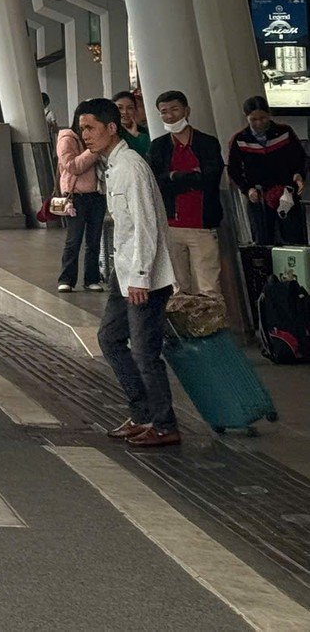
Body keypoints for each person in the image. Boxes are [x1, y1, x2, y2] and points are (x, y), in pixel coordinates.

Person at [77, 96, 180, 448]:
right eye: (81, 130)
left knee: (144, 352)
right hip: (124, 274)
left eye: (90, 128)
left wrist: (139, 277)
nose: (85, 135)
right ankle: (143, 414)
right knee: (109, 338)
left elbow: (146, 225)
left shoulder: (131, 167)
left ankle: (164, 424)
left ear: (111, 128)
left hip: (143, 276)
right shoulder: (112, 166)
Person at [147, 90, 225, 301]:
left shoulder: (207, 143)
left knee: (209, 286)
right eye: (164, 112)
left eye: (174, 109)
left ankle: (213, 330)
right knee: (177, 288)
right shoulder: (159, 146)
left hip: (202, 225)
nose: (169, 116)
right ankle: (183, 331)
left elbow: (210, 177)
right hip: (171, 225)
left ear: (186, 110)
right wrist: (189, 176)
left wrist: (173, 177)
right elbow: (156, 181)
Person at [227, 96, 307, 247]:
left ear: (269, 114)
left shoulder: (285, 132)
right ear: (247, 118)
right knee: (263, 240)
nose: (259, 123)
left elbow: (300, 158)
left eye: (263, 118)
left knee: (293, 238)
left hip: (286, 193)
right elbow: (234, 169)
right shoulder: (240, 139)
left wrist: (298, 175)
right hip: (258, 196)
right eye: (254, 119)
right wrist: (247, 189)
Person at [55, 122, 105, 293]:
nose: (88, 130)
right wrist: (94, 151)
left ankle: (92, 279)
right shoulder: (67, 139)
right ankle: (66, 279)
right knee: (73, 239)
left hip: (97, 194)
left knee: (94, 240)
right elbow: (73, 166)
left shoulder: (99, 138)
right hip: (75, 197)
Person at [115, 91, 150, 157]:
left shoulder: (143, 132)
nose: (125, 112)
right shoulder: (109, 131)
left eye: (130, 108)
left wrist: (136, 134)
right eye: (120, 108)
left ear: (135, 110)